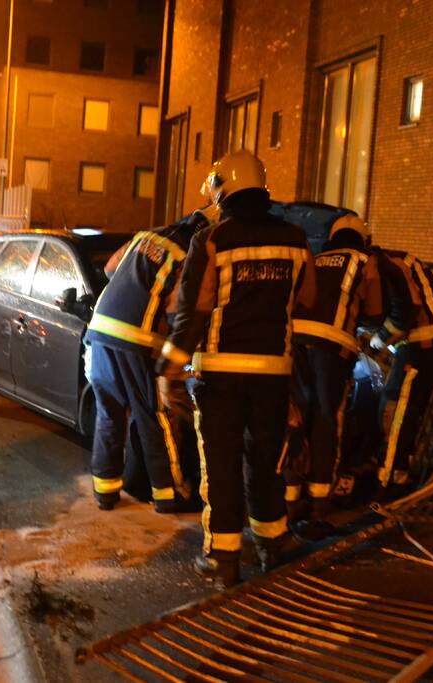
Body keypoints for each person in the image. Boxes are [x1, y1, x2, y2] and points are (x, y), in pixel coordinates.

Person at [157, 151, 316, 588]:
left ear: (222, 189)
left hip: (220, 375)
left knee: (221, 464)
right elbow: (307, 299)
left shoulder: (211, 239)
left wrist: (171, 365)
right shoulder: (296, 238)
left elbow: (194, 309)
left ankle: (223, 558)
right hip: (274, 374)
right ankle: (273, 541)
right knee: (266, 460)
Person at [86, 210, 209, 512]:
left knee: (109, 413)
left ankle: (105, 492)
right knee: (153, 416)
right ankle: (167, 495)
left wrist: (136, 285)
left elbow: (110, 269)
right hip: (136, 340)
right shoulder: (187, 254)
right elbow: (178, 309)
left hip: (100, 330)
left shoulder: (145, 236)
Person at [283, 214, 384, 539]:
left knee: (297, 417)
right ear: (362, 239)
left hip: (296, 341)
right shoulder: (365, 261)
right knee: (327, 419)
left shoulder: (317, 257)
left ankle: (289, 499)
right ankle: (318, 504)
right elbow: (374, 313)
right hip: (334, 347)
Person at [368, 244, 433, 497]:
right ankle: (399, 475)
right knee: (408, 411)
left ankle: (386, 482)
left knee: (396, 408)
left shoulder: (386, 265)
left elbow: (405, 309)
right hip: (429, 344)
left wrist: (380, 338)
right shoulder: (397, 260)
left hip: (423, 344)